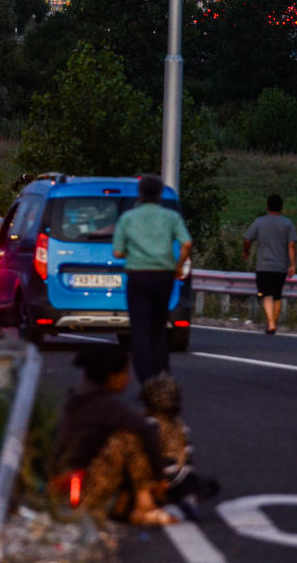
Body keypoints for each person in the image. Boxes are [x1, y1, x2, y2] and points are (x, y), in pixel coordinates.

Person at [51, 344, 176, 526]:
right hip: (75, 488)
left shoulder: (79, 399)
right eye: (125, 372)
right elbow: (145, 432)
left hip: (64, 485)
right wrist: (159, 477)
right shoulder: (104, 406)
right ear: (112, 376)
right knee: (128, 437)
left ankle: (124, 503)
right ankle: (143, 503)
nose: (129, 378)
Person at [113, 175, 192, 383]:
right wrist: (177, 266)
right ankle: (162, 374)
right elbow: (187, 244)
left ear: (140, 193)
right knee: (158, 327)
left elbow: (118, 253)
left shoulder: (128, 218)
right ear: (159, 194)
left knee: (139, 328)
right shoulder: (171, 217)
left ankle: (146, 378)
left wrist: (133, 251)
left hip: (138, 276)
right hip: (164, 276)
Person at [139, 373, 220, 522]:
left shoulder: (146, 424)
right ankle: (188, 500)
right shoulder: (180, 428)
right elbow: (187, 458)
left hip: (153, 479)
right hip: (177, 477)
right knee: (203, 483)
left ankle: (165, 501)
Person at [243, 194, 297, 334]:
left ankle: (271, 323)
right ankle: (273, 321)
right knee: (277, 295)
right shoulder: (287, 223)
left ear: (267, 207)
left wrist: (246, 251)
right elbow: (291, 245)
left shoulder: (259, 222)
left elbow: (247, 239)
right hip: (280, 267)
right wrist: (292, 265)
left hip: (263, 266)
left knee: (266, 294)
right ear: (281, 207)